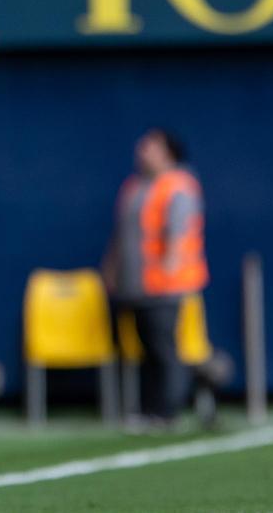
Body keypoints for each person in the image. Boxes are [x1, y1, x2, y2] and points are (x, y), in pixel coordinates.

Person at [103, 129, 208, 428]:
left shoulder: (179, 185)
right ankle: (149, 409)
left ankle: (167, 410)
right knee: (145, 350)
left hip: (164, 285)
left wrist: (171, 265)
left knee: (163, 350)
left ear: (167, 152)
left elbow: (180, 232)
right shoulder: (134, 186)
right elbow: (122, 234)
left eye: (150, 146)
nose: (142, 151)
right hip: (135, 285)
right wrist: (111, 268)